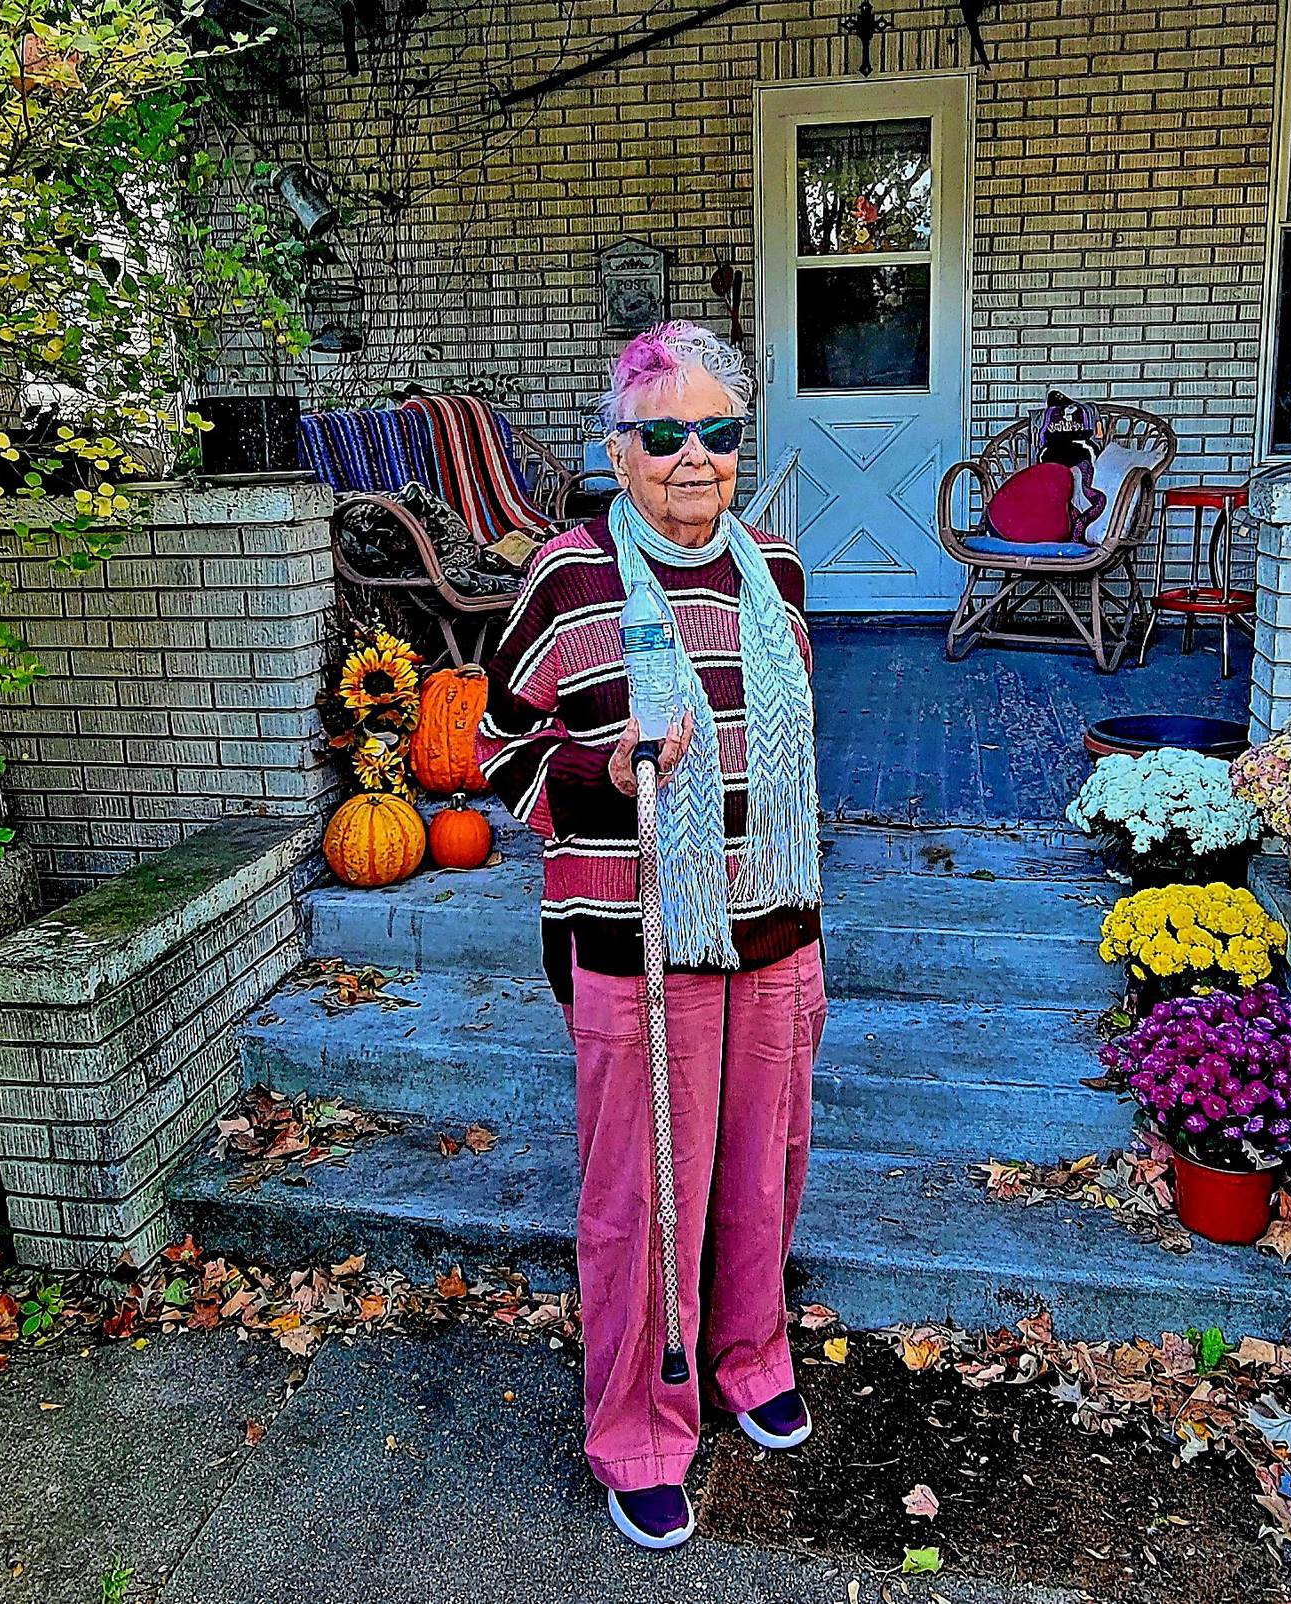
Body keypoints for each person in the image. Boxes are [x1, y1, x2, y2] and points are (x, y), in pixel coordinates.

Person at [476, 320, 826, 1551]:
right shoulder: (564, 581)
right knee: (643, 1187)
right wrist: (601, 763)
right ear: (616, 451)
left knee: (763, 1154)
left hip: (775, 917)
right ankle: (638, 1425)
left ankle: (748, 1349)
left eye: (719, 431)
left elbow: (788, 750)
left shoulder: (774, 568)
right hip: (634, 930)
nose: (695, 456)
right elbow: (493, 749)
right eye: (663, 432)